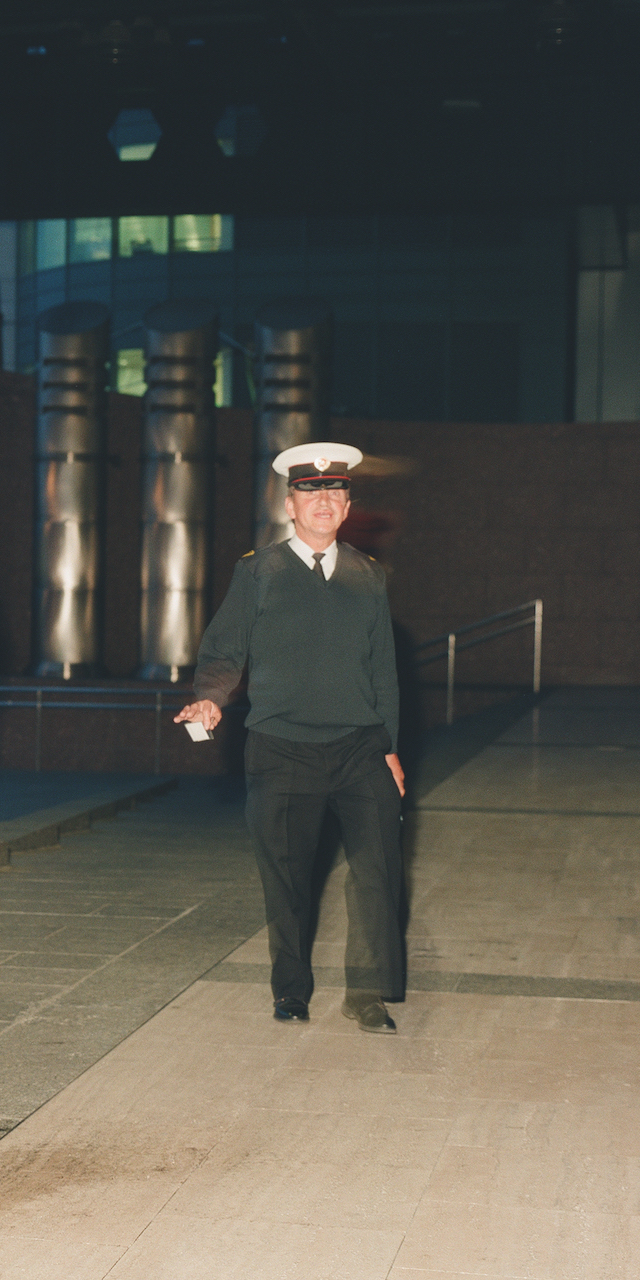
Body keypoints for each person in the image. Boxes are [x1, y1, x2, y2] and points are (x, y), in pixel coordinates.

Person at [176, 442, 406, 1033]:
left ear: (348, 503)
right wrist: (211, 695)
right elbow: (226, 649)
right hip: (281, 749)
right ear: (290, 504)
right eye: (311, 491)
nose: (324, 501)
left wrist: (390, 746)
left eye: (335, 491)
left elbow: (383, 670)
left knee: (377, 873)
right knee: (288, 877)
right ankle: (291, 990)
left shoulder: (368, 576)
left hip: (360, 748)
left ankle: (368, 994)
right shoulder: (258, 572)